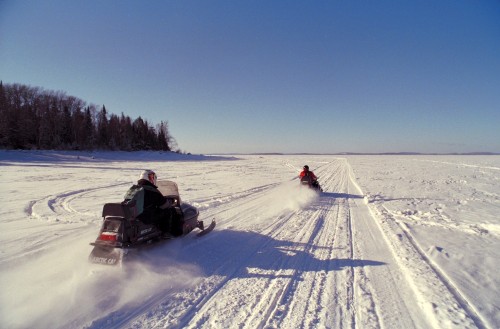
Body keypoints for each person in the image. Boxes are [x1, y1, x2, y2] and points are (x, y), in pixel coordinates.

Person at [124, 169, 177, 237]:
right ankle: (166, 233)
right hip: (146, 217)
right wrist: (170, 202)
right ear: (149, 178)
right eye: (152, 177)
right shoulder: (152, 190)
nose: (153, 179)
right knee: (168, 211)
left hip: (133, 216)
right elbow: (164, 205)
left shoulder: (134, 188)